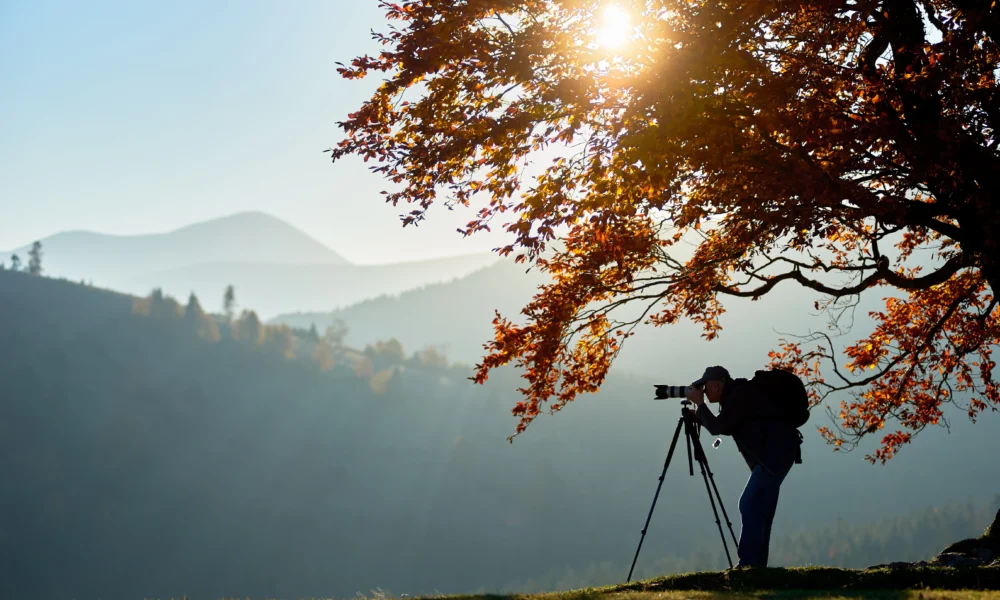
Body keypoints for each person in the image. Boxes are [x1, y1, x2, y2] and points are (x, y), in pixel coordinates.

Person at [685, 365, 801, 568]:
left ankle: (748, 565)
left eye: (705, 386)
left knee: (748, 504)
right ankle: (757, 568)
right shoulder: (736, 396)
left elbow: (718, 427)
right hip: (781, 452)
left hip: (774, 455)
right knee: (761, 510)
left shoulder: (739, 395)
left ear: (716, 385)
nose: (703, 390)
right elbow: (724, 424)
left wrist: (701, 405)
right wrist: (699, 415)